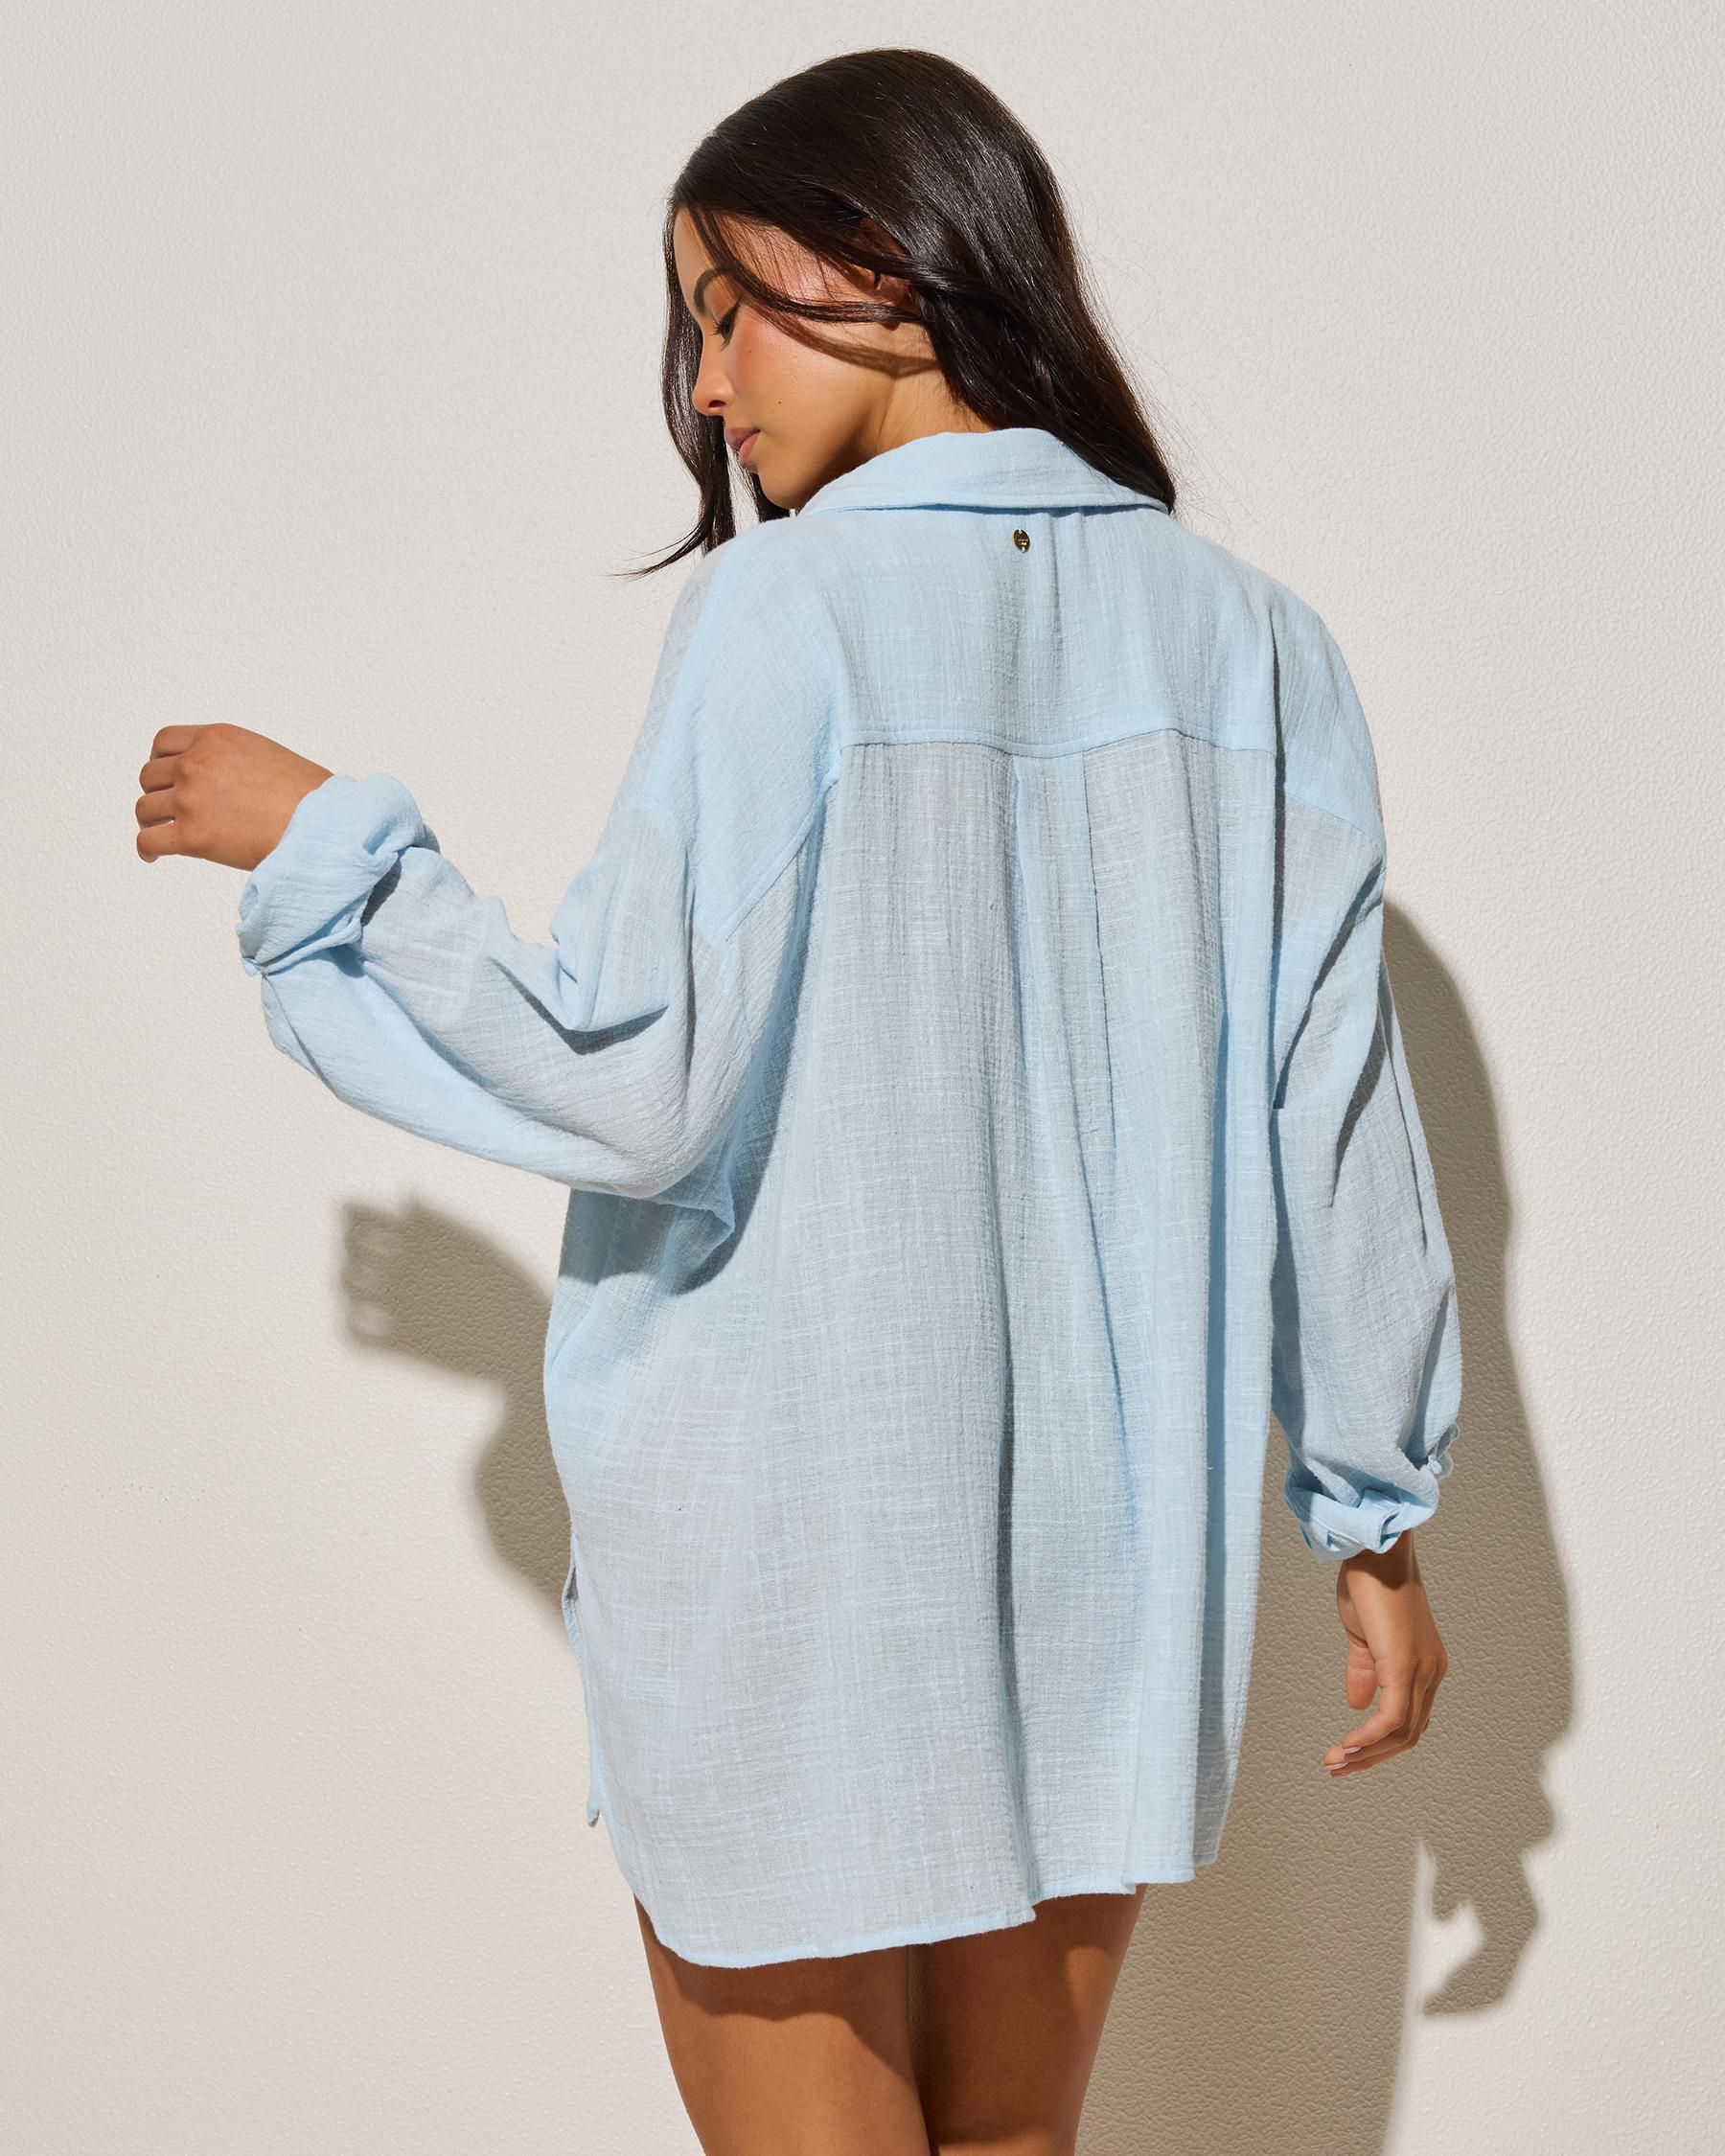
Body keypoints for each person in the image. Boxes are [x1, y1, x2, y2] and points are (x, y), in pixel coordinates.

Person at [133, 47, 1461, 2156]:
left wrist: (326, 853)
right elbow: (1341, 1119)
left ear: (883, 266)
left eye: (722, 311)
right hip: (1115, 1576)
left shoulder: (788, 610)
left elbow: (634, 1077)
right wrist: (1375, 1522)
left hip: (800, 1567)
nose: (703, 386)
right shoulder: (1259, 646)